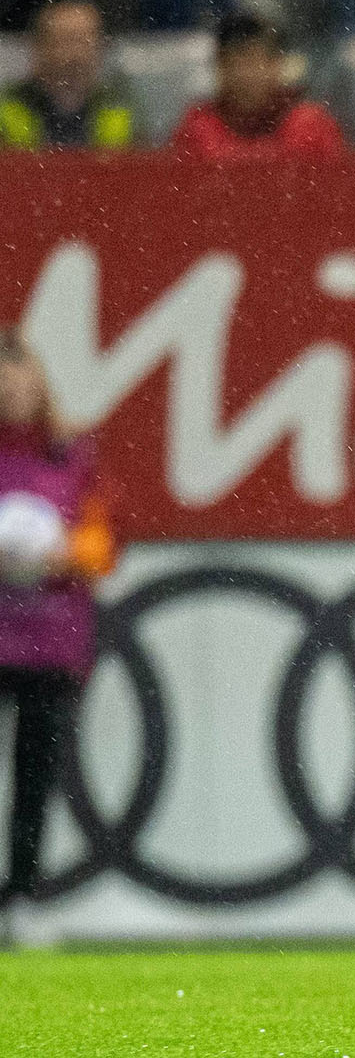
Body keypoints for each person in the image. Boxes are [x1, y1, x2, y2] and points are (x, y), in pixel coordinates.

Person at [0, 327, 114, 921]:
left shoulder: (71, 454)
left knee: (35, 775)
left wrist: (63, 557)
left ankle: (23, 893)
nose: (14, 394)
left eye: (22, 382)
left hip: (50, 639)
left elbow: (103, 543)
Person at [170, 12, 345, 159]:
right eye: (234, 62)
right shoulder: (198, 127)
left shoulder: (310, 124)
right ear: (219, 66)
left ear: (277, 63)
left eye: (255, 61)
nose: (245, 73)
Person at [0, 0, 138, 151]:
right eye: (64, 41)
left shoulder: (122, 108)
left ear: (102, 49)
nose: (75, 55)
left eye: (85, 42)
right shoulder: (6, 108)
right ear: (39, 49)